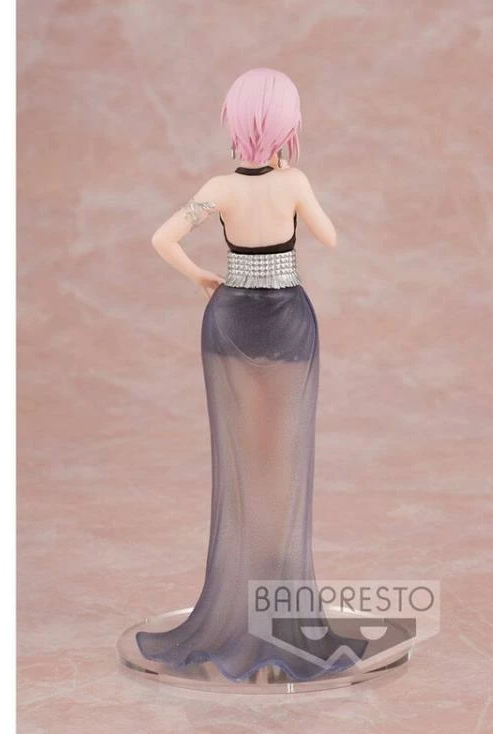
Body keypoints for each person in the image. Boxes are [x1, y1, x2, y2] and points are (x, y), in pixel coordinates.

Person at [137, 67, 367, 682]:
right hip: (288, 319)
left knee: (241, 458)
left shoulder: (219, 188)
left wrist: (201, 277)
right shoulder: (294, 183)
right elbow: (330, 236)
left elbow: (163, 238)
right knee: (283, 458)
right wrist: (292, 189)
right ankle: (276, 604)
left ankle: (241, 600)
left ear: (235, 122)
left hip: (230, 318)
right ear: (287, 125)